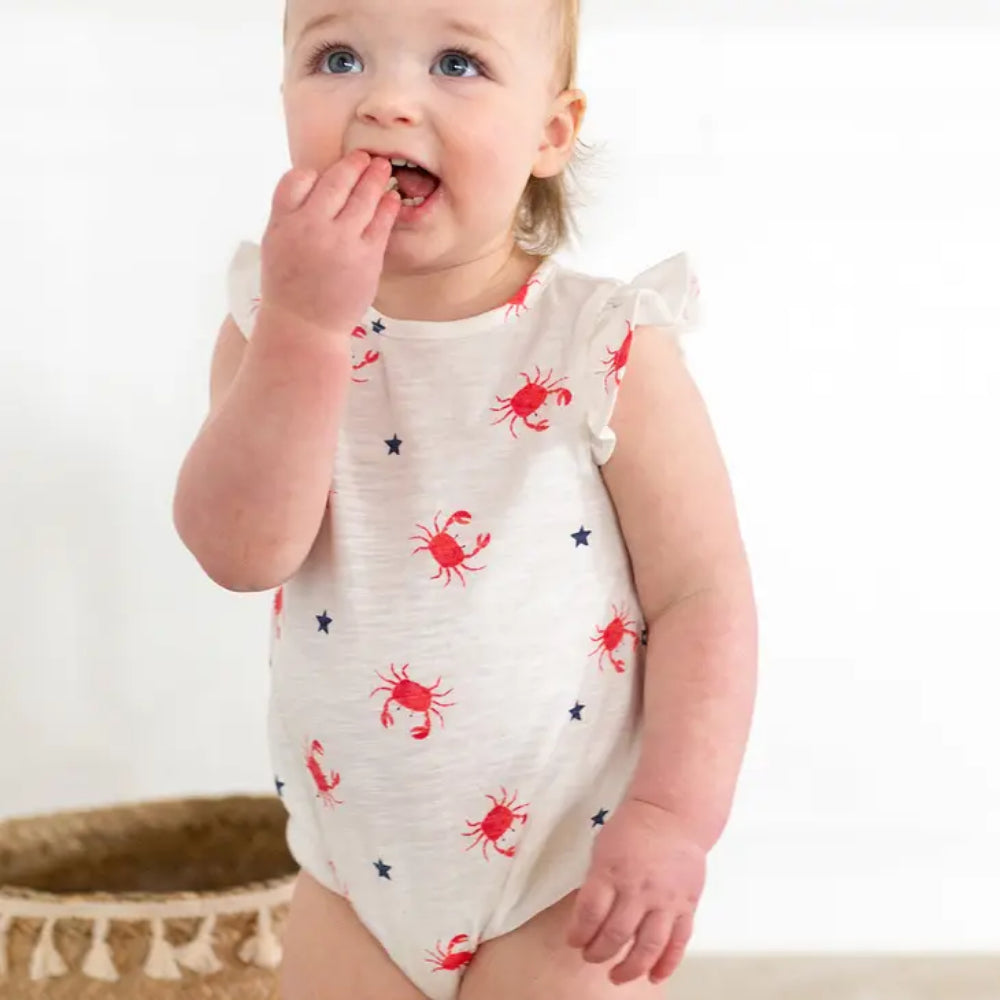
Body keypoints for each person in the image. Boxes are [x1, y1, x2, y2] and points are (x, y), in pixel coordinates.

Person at [173, 0, 758, 997]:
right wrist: (307, 328)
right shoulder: (272, 324)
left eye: (455, 63)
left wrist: (670, 819)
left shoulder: (606, 342)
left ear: (550, 134)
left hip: (566, 865)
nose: (386, 102)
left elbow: (702, 597)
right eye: (338, 56)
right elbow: (240, 553)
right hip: (351, 876)